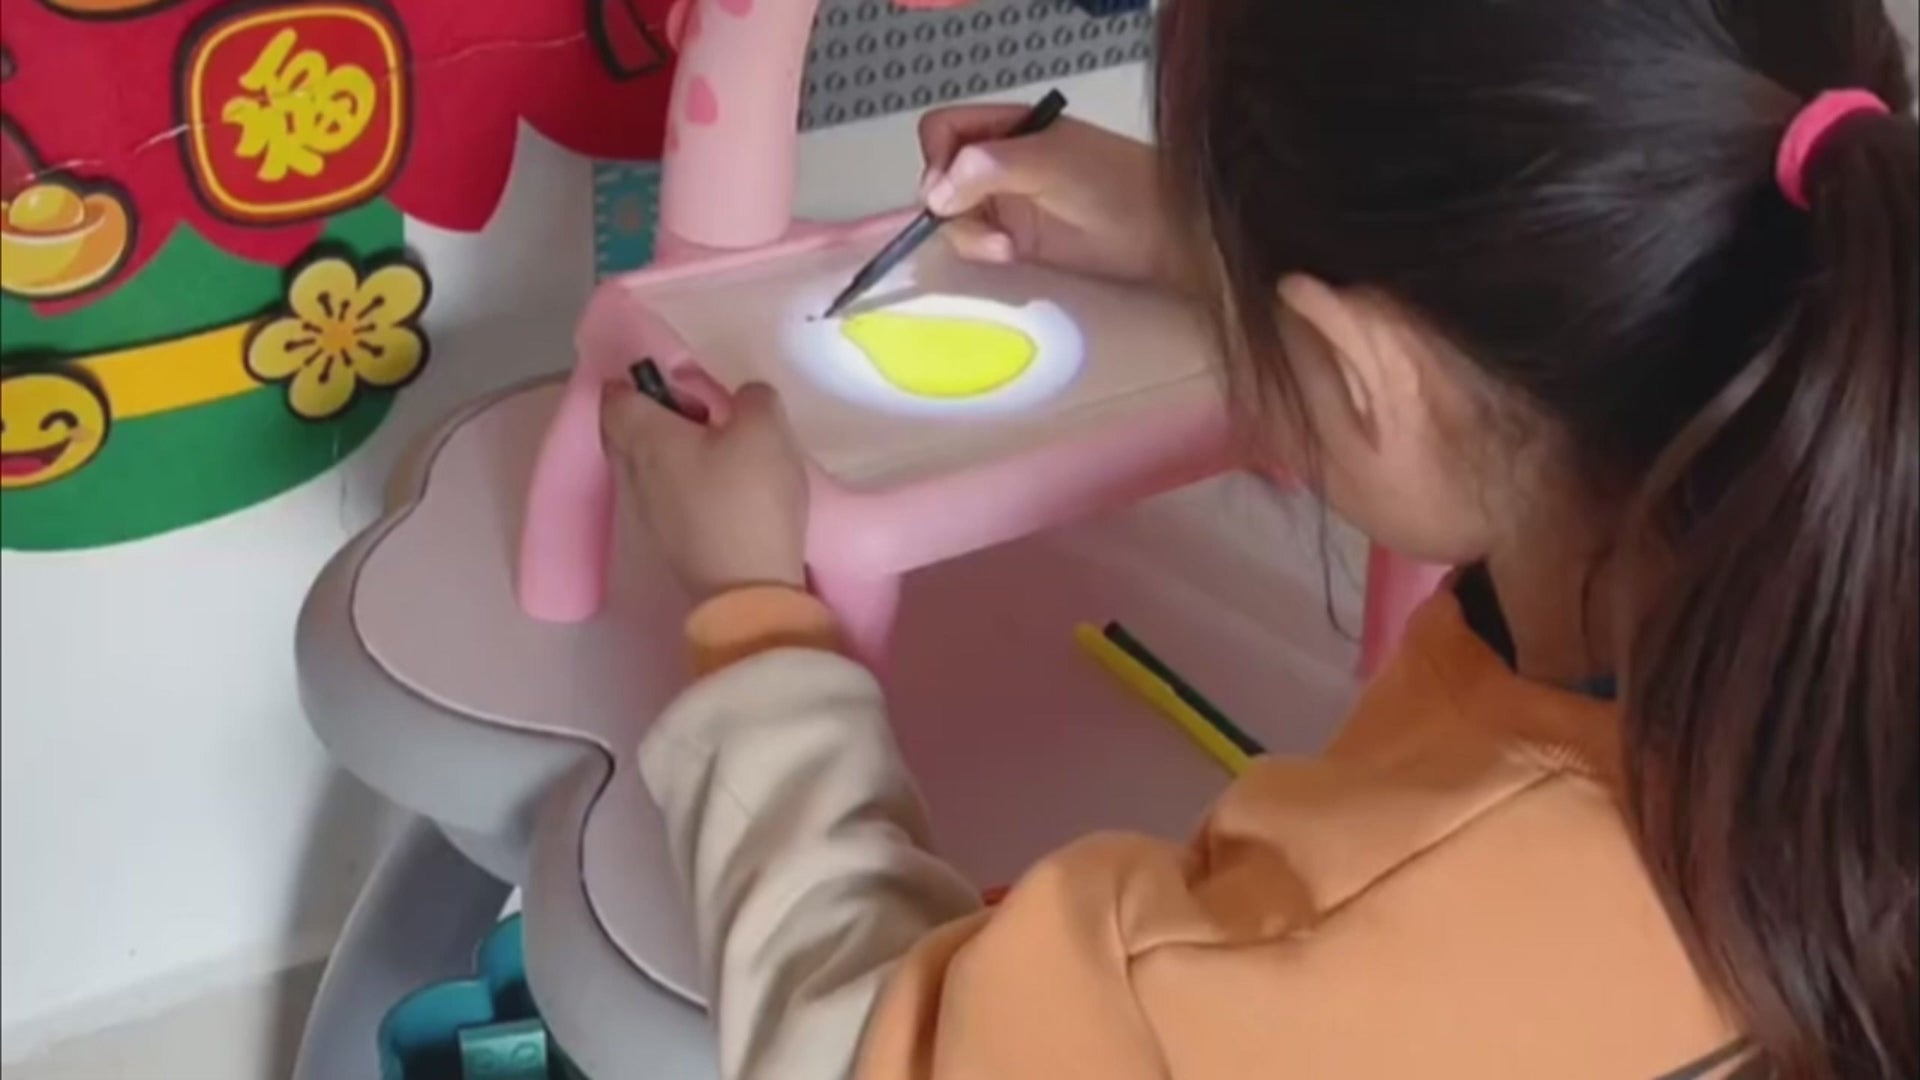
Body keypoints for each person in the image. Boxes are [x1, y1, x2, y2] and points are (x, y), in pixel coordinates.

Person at [599, 0, 1916, 1076]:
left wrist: (756, 617)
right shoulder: (1832, 484)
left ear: (1364, 367)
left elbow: (856, 1047)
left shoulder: (1324, 964)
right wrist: (1205, 237)